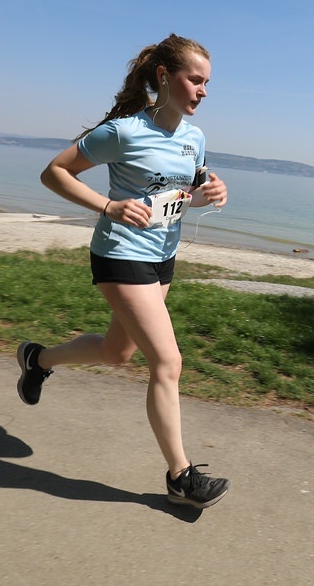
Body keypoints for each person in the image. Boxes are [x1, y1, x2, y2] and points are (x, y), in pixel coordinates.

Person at [16, 34, 231, 509]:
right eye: (195, 79)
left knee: (117, 353)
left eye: (207, 82)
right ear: (164, 77)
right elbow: (55, 172)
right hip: (119, 253)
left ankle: (38, 360)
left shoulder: (194, 138)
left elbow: (190, 182)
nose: (203, 90)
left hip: (162, 257)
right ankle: (182, 477)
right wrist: (109, 205)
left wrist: (213, 188)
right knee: (167, 362)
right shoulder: (123, 131)